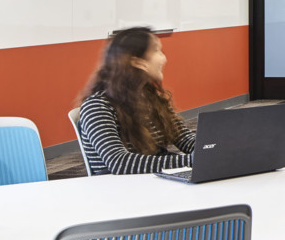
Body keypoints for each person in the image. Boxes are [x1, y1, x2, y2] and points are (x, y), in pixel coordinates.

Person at [77, 27, 197, 175]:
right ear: (138, 62)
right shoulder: (97, 106)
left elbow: (184, 138)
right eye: (157, 51)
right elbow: (120, 163)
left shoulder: (149, 98)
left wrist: (212, 147)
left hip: (153, 181)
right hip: (122, 189)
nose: (163, 58)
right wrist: (191, 160)